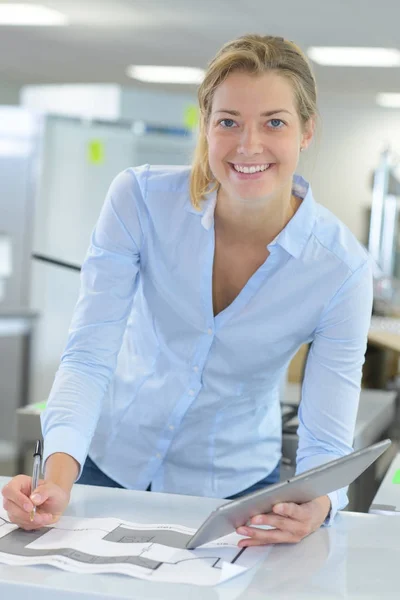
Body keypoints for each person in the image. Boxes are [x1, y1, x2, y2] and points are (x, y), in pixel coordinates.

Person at [2, 34, 372, 548]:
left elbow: (327, 436)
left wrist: (323, 502)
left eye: (274, 122)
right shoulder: (141, 200)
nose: (249, 145)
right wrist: (55, 481)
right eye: (228, 122)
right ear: (205, 126)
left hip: (237, 491)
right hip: (108, 465)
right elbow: (88, 356)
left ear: (307, 131)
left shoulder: (340, 269)